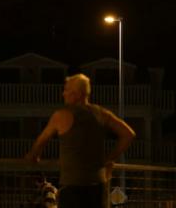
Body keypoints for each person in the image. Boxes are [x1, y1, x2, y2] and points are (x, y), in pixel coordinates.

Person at [25, 73, 136, 208]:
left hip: (72, 187)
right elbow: (128, 134)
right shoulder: (101, 113)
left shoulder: (61, 116)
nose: (63, 94)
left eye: (67, 90)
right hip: (97, 187)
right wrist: (109, 158)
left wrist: (33, 156)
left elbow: (40, 141)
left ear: (77, 94)